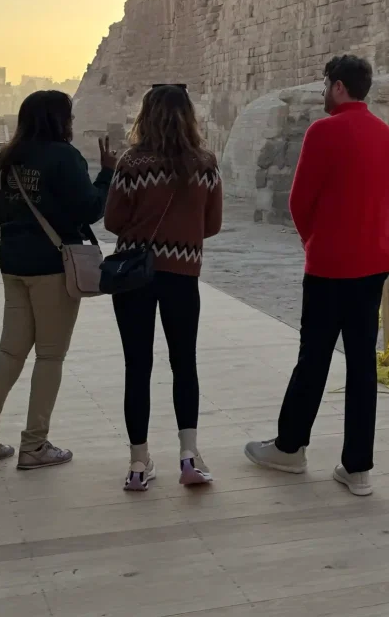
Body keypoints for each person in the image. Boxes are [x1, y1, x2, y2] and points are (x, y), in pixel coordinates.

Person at [244, 54, 389, 496]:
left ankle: (290, 448)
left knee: (313, 359)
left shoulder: (324, 131)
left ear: (336, 86)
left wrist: (316, 242)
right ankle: (357, 467)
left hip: (331, 266)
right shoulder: (385, 134)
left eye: (325, 84)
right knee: (361, 368)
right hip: (372, 266)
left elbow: (298, 202)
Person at [0, 90, 115, 468]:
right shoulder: (64, 157)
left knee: (10, 352)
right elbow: (90, 208)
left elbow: (1, 212)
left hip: (12, 263)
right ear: (59, 120)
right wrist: (108, 172)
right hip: (51, 267)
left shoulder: (8, 158)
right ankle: (34, 444)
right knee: (49, 355)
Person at [103, 84, 223, 491]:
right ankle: (189, 455)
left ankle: (139, 463)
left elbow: (113, 222)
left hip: (134, 274)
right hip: (182, 274)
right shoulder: (205, 163)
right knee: (183, 362)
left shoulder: (131, 162)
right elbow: (213, 225)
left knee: (137, 367)